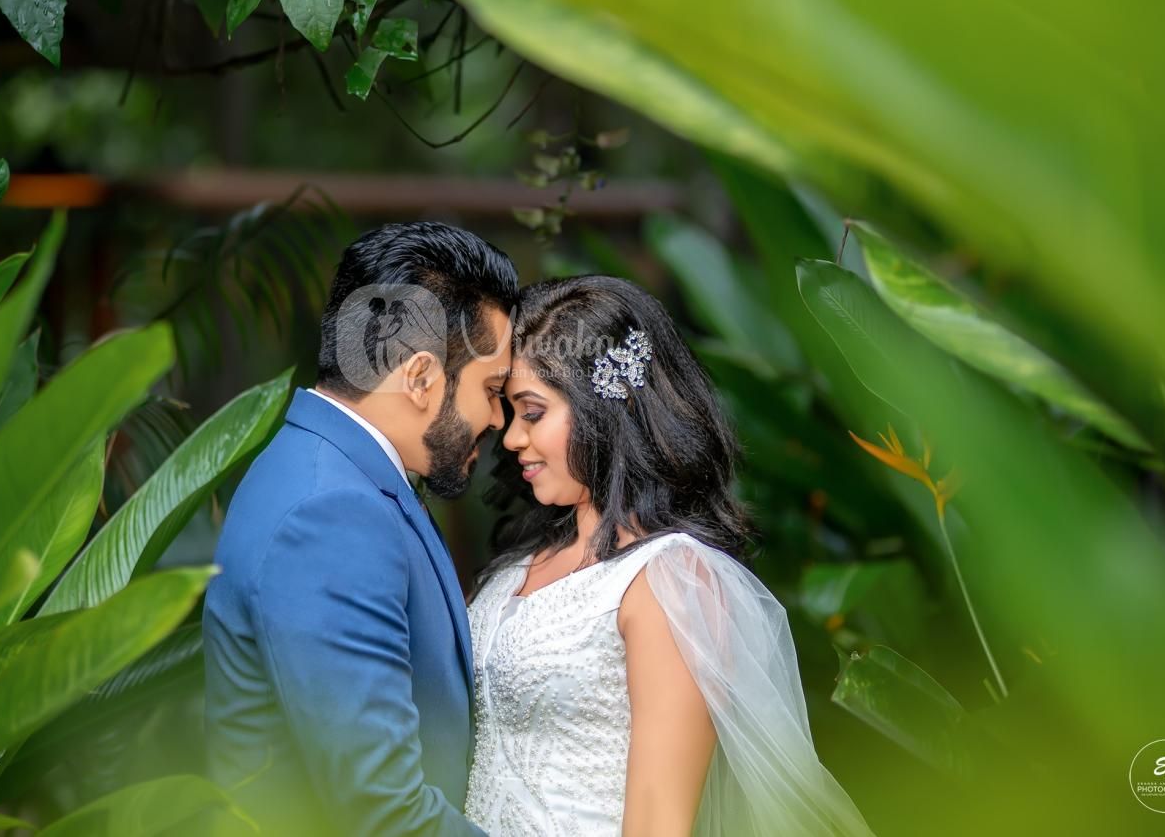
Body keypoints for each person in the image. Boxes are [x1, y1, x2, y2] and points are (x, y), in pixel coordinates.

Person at [466, 275, 876, 837]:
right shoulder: (519, 565)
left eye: (532, 413)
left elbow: (660, 817)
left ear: (604, 408)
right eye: (510, 413)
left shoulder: (670, 578)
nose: (511, 438)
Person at [204, 222, 517, 836]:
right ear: (421, 378)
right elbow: (383, 810)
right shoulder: (330, 513)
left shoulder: (332, 471)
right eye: (492, 390)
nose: (499, 420)